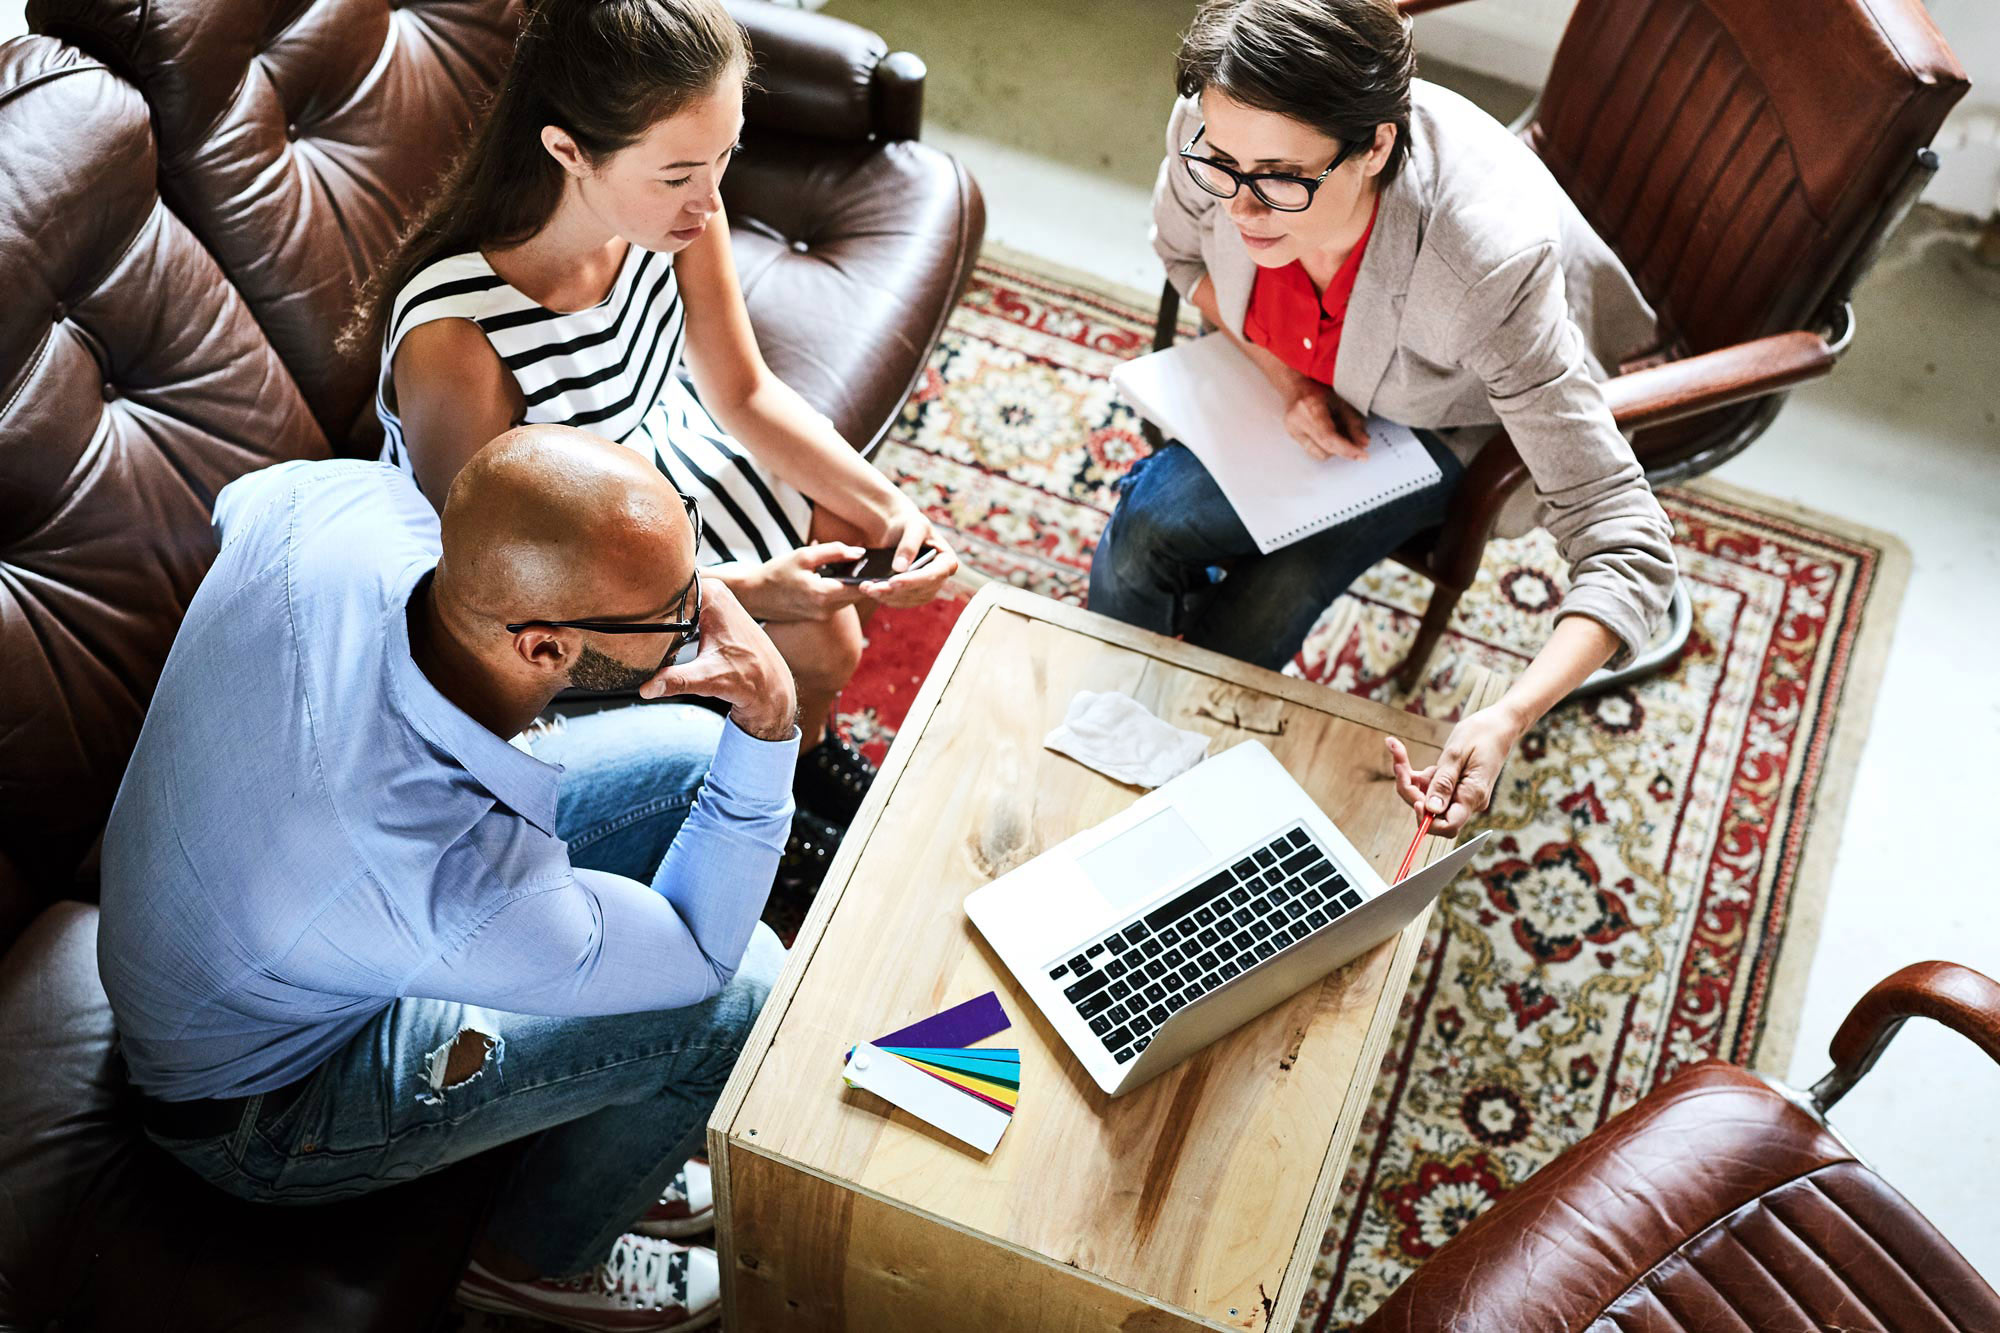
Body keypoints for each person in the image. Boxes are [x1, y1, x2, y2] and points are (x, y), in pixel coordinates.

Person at [99, 425, 800, 1332]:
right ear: (544, 649)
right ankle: (535, 1259)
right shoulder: (442, 875)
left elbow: (245, 503)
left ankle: (602, 1133)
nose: (703, 615)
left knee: (695, 750)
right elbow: (706, 956)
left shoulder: (349, 504)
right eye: (677, 612)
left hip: (261, 926)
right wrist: (773, 717)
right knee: (744, 998)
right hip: (254, 1111)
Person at [343, 0, 959, 876]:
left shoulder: (674, 217)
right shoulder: (459, 344)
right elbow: (493, 594)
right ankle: (768, 820)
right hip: (561, 569)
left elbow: (744, 393)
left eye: (724, 159)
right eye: (678, 174)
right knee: (813, 636)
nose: (712, 203)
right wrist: (754, 590)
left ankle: (795, 765)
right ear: (567, 151)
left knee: (836, 633)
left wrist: (889, 506)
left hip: (662, 460)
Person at [1090, 0, 1677, 838]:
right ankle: (1118, 719)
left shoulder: (1483, 266)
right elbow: (1181, 251)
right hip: (1292, 369)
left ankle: (1168, 763)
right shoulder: (1217, 125)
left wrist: (1507, 714)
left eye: (1281, 179)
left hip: (1438, 414)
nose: (1242, 212)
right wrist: (1286, 376)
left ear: (1375, 146)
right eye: (1223, 166)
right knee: (1148, 521)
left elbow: (1629, 540)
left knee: (1276, 590)